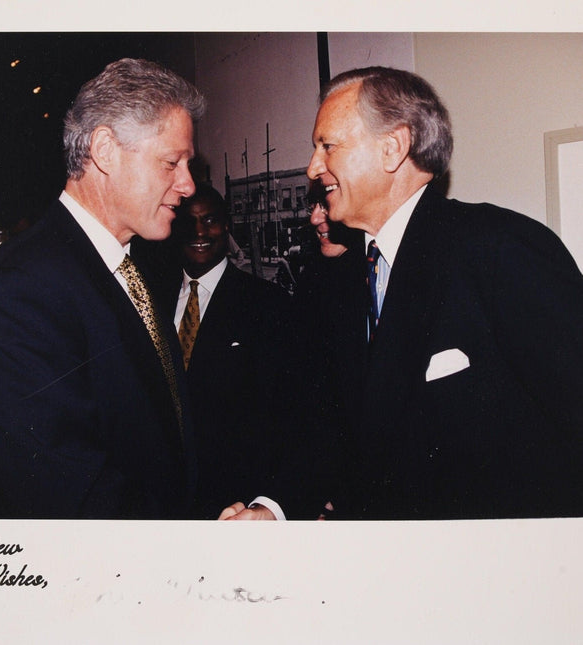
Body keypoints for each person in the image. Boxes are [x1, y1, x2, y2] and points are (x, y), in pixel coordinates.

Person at [224, 65, 583, 520]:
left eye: (327, 146)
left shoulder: (500, 249)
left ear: (392, 148)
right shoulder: (343, 279)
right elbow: (337, 428)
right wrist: (273, 509)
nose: (314, 168)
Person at [0, 58, 205, 519]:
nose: (187, 184)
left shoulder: (126, 267)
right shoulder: (13, 297)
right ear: (105, 150)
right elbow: (76, 495)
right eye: (171, 162)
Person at [142, 183, 298, 519]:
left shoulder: (267, 305)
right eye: (189, 220)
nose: (199, 231)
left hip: (232, 505)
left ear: (226, 226)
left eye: (210, 220)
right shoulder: (151, 299)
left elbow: (285, 416)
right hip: (158, 501)